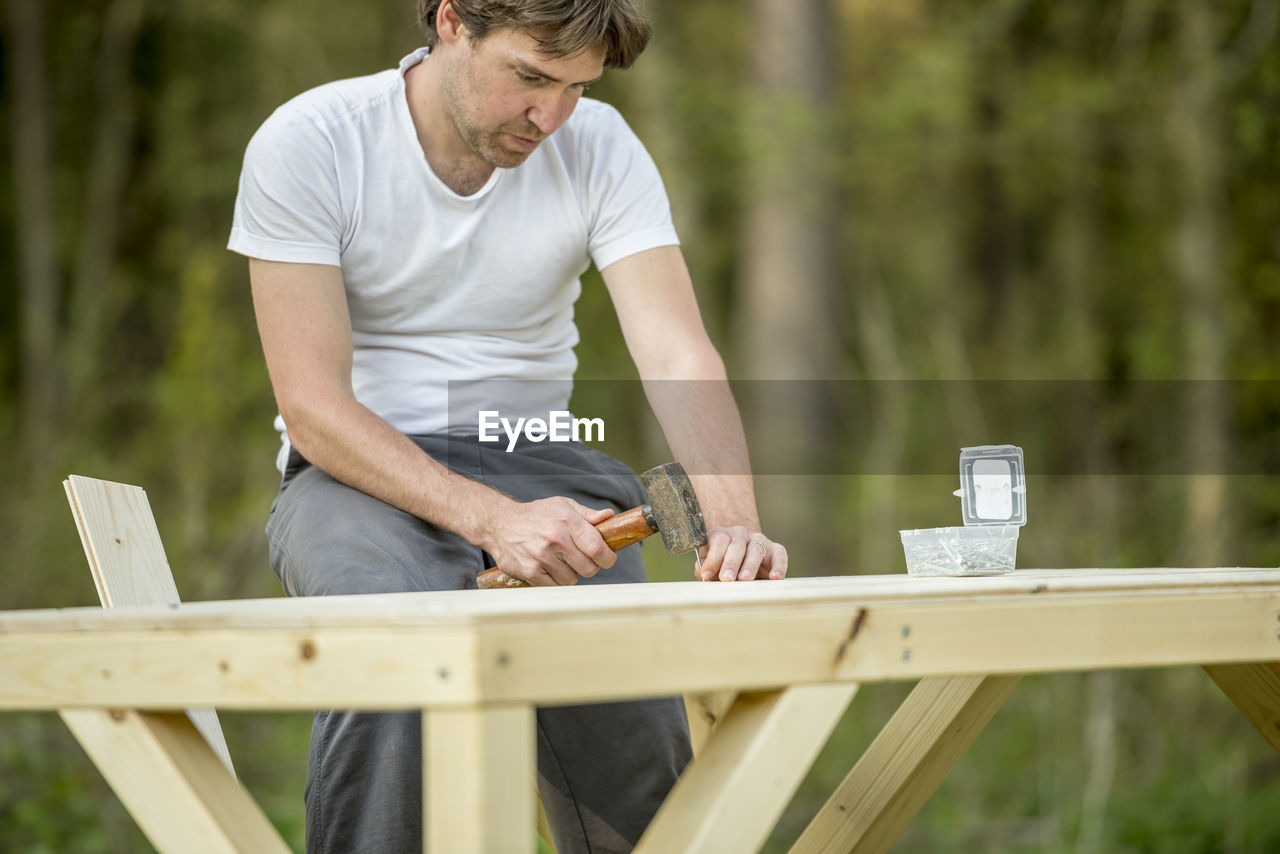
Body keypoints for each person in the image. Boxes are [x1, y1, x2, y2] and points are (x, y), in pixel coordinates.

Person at [228, 0, 787, 850]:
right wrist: (492, 520)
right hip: (355, 475)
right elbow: (312, 407)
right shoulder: (312, 141)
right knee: (392, 657)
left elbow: (677, 351)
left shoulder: (600, 149)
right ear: (452, 20)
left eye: (577, 87)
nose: (551, 116)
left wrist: (735, 516)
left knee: (629, 732)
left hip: (543, 467)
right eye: (530, 77)